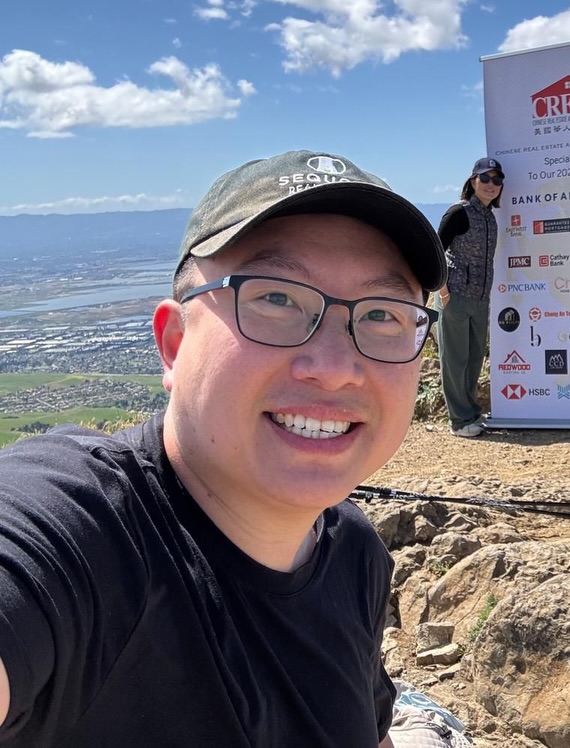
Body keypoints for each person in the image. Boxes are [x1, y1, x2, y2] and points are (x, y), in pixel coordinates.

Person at [0, 150, 445, 747]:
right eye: (277, 299)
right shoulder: (82, 533)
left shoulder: (353, 552)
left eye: (383, 314)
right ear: (174, 344)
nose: (336, 368)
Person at [435, 157, 504, 438]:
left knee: (475, 357)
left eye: (497, 180)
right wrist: (442, 290)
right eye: (485, 179)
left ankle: (472, 413)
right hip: (455, 296)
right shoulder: (458, 212)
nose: (491, 185)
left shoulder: (490, 217)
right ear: (472, 181)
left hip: (480, 298)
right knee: (455, 359)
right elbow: (435, 251)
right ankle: (460, 421)